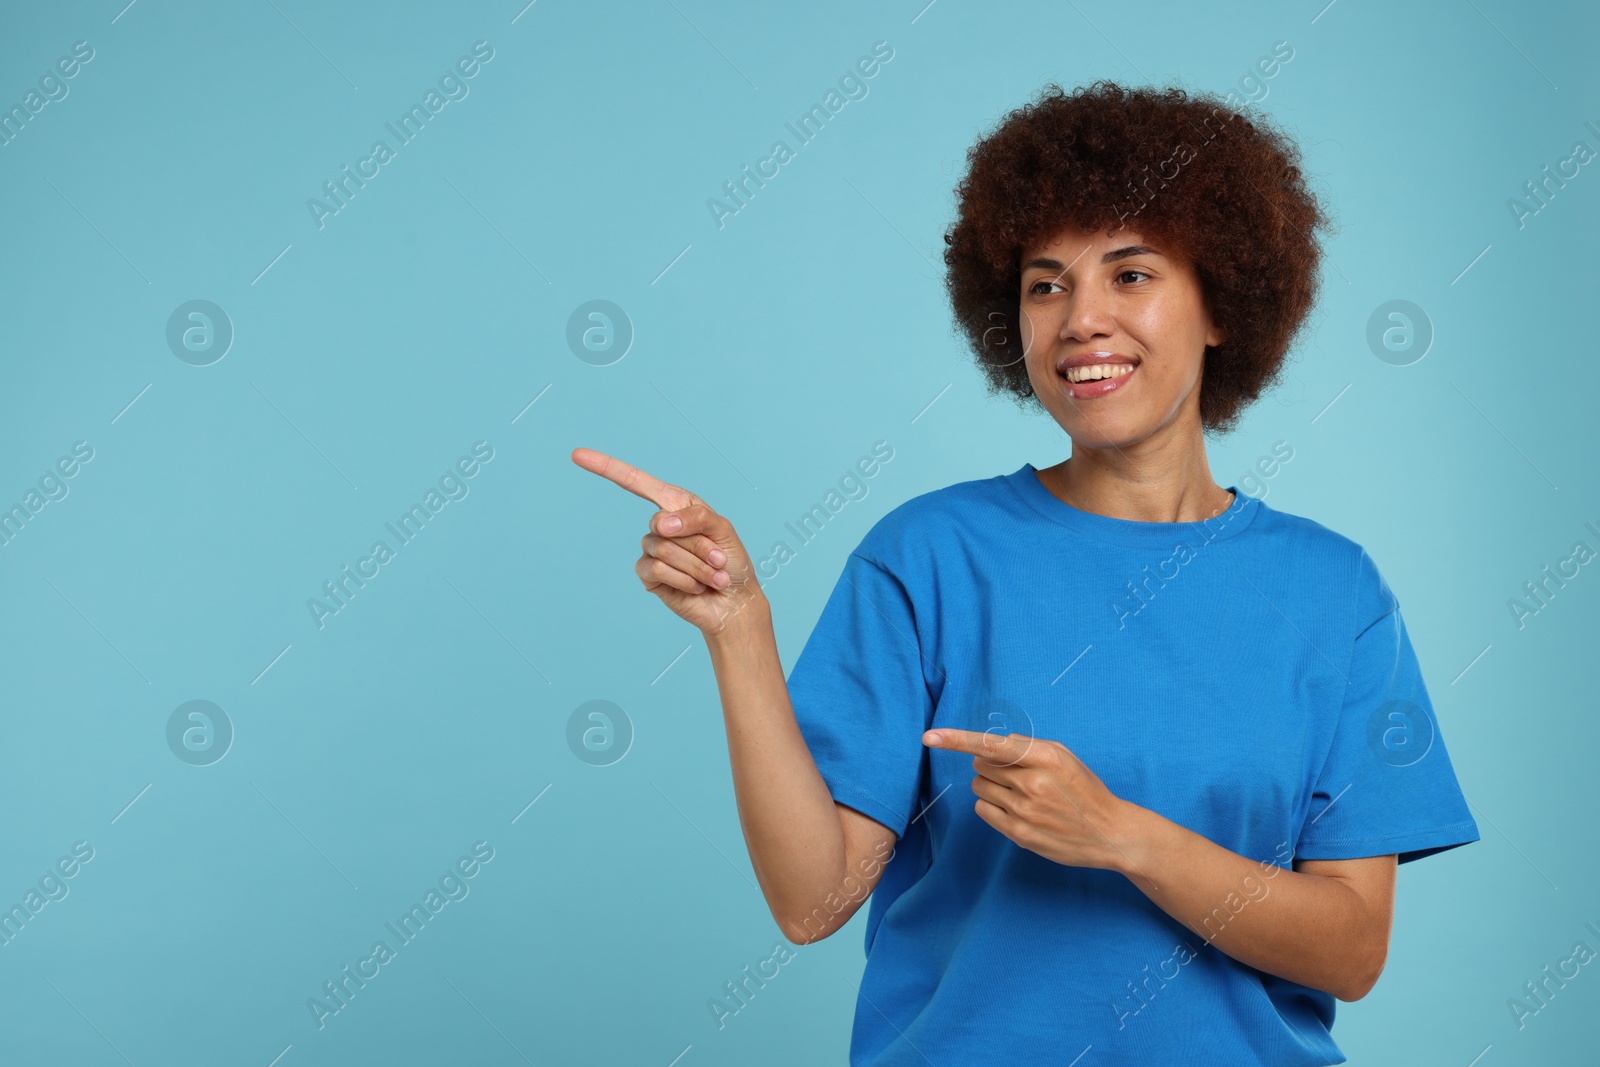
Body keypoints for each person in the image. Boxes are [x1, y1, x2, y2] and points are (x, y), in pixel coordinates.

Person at [573, 80, 1478, 1065]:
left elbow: (1350, 948)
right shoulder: (927, 557)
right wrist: (739, 629)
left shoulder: (1334, 593)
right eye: (1046, 284)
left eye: (1129, 275)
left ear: (1222, 304)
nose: (1079, 319)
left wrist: (1122, 834)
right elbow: (811, 898)